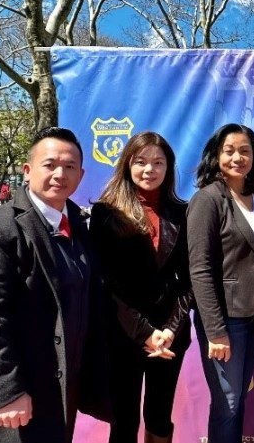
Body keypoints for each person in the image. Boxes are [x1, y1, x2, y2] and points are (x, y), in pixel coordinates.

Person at [0, 127, 111, 443]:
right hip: (19, 398)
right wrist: (7, 391)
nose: (59, 174)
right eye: (50, 164)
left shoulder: (78, 225)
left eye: (69, 166)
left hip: (62, 391)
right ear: (28, 170)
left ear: (80, 174)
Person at [90, 131, 192, 443]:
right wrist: (145, 333)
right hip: (124, 334)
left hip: (170, 335)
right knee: (124, 418)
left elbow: (190, 280)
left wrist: (170, 330)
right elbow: (107, 282)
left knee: (160, 417)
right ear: (127, 165)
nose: (150, 169)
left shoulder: (183, 212)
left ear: (169, 167)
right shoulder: (106, 213)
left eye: (158, 162)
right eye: (141, 162)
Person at [187, 123, 254, 443]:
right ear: (216, 155)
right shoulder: (207, 199)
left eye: (245, 150)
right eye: (230, 150)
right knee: (229, 403)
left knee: (239, 402)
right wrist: (215, 329)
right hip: (227, 320)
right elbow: (200, 268)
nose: (238, 157)